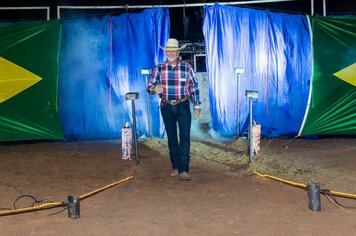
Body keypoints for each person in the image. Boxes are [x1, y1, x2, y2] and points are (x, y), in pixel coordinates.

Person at [147, 38, 200, 181]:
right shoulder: (159, 68)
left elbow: (194, 87)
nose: (170, 53)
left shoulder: (187, 68)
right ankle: (176, 167)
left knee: (185, 137)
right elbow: (149, 86)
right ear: (166, 53)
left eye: (173, 51)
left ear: (178, 52)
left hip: (183, 105)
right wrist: (154, 88)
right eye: (168, 51)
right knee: (171, 138)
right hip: (166, 106)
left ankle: (184, 170)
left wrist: (196, 106)